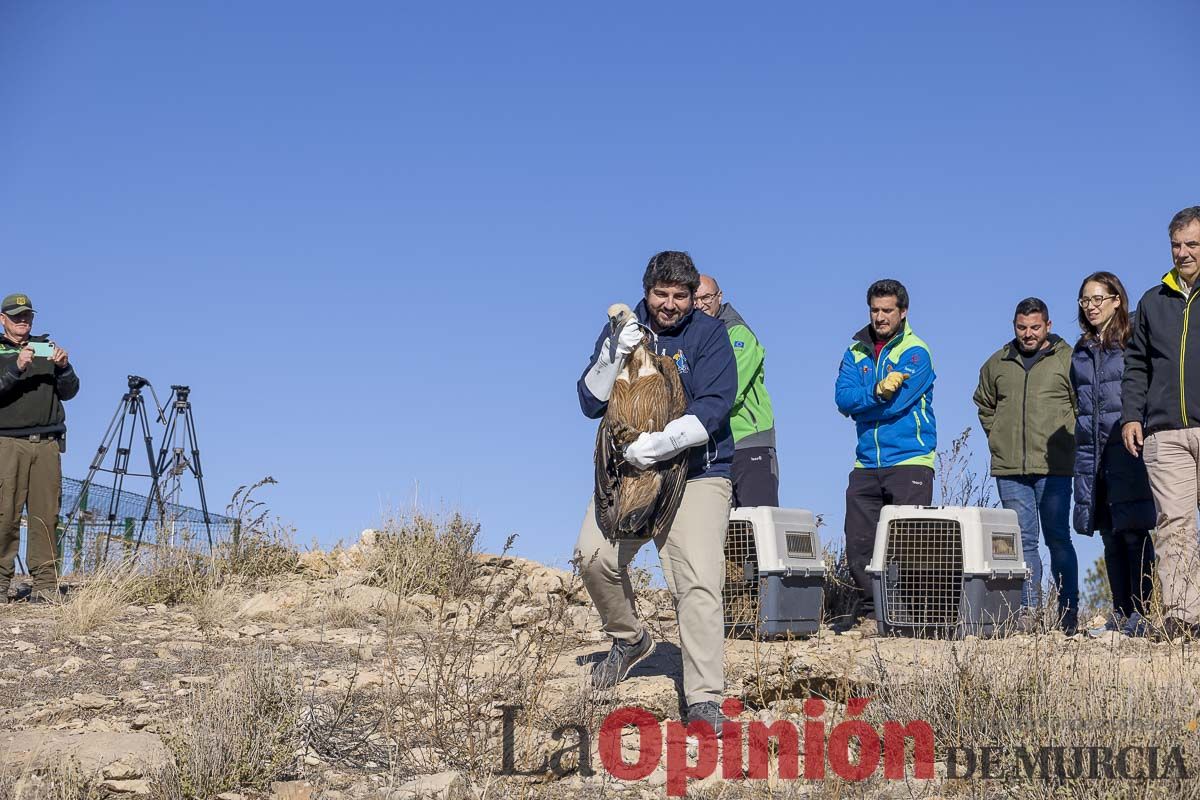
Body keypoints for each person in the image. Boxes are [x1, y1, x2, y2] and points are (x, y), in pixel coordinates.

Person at [574, 251, 737, 734]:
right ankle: (630, 640)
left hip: (697, 472)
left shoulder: (709, 336)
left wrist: (662, 444)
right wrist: (610, 356)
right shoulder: (623, 329)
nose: (669, 305)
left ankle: (705, 698)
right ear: (647, 292)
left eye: (680, 296)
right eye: (660, 294)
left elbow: (715, 405)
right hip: (627, 473)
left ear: (693, 296)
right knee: (592, 556)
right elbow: (588, 401)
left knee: (698, 580)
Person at [834, 279, 936, 633]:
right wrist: (877, 391)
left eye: (887, 310)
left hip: (910, 459)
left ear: (903, 312)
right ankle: (871, 612)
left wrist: (867, 402)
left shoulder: (915, 352)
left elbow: (899, 405)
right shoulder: (856, 351)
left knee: (910, 545)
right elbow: (842, 399)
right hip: (866, 462)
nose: (880, 317)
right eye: (875, 310)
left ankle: (912, 617)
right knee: (859, 541)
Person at [974, 298, 1078, 633]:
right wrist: (998, 436)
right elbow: (984, 402)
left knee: (1058, 538)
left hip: (1055, 465)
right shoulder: (998, 362)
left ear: (1048, 325)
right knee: (1023, 542)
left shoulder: (1069, 358)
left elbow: (1083, 404)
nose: (1028, 334)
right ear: (1014, 325)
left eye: (1035, 327)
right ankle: (1029, 614)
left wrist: (1071, 439)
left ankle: (1068, 613)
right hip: (1010, 470)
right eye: (1022, 327)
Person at [1121, 205, 1200, 640]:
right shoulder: (1154, 301)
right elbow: (1136, 364)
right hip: (1165, 432)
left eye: (1192, 244)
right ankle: (1184, 617)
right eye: (1176, 244)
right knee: (1173, 521)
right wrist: (1133, 414)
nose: (1183, 253)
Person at [1070, 272, 1157, 638]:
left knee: (1134, 529)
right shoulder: (1082, 349)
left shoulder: (1133, 339)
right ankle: (1120, 612)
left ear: (1117, 299)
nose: (1091, 307)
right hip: (1094, 453)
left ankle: (1143, 611)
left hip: (1128, 446)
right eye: (1085, 301)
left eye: (1098, 299)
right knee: (1108, 533)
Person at [0, 294, 78, 603]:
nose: (23, 321)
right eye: (16, 316)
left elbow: (70, 392)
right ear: (2, 318)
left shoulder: (46, 349)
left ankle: (45, 586)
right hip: (7, 444)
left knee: (46, 517)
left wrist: (64, 367)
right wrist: (16, 368)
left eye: (27, 316)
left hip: (46, 444)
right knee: (4, 514)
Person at [696, 274, 779, 507]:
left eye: (707, 297)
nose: (701, 304)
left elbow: (729, 389)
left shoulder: (738, 334)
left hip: (749, 441)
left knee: (757, 526)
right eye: (695, 299)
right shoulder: (694, 338)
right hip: (712, 448)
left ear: (719, 297)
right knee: (723, 533)